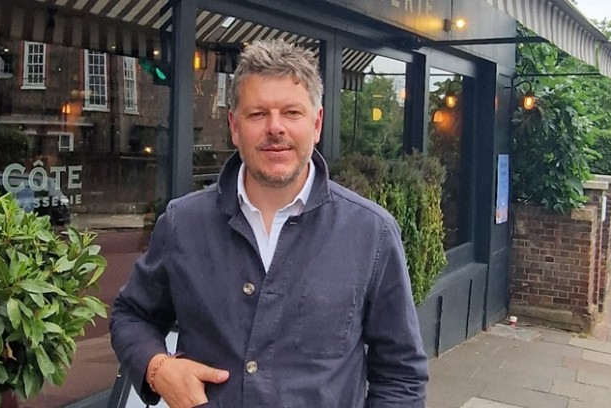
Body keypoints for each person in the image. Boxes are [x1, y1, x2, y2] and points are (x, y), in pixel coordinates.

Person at [110, 39, 429, 407]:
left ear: (316, 123)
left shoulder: (371, 233)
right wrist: (158, 369)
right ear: (234, 126)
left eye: (291, 113)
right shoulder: (184, 224)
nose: (275, 128)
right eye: (258, 114)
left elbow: (401, 375)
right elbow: (131, 315)